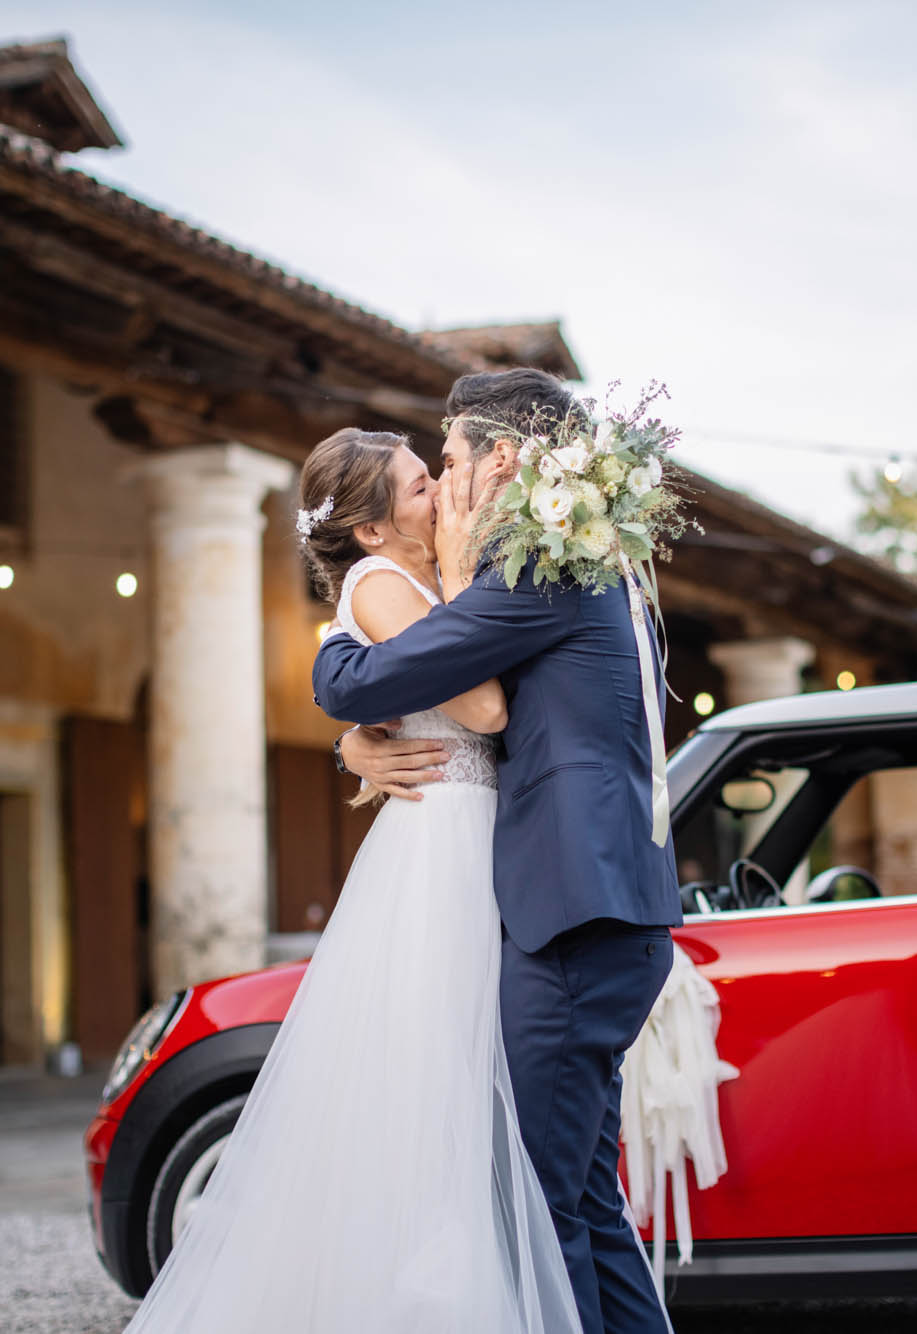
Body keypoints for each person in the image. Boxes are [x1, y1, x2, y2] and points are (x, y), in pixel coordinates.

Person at [120, 426, 581, 1333]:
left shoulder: (421, 580)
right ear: (371, 532)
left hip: (471, 834)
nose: (438, 491)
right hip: (441, 849)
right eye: (419, 488)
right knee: (439, 1080)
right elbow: (483, 706)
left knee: (469, 1080)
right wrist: (451, 586)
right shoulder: (381, 586)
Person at [317, 369, 681, 1334]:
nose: (443, 481)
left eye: (450, 459)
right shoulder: (579, 564)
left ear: (503, 460)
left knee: (537, 1199)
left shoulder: (540, 574)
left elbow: (378, 680)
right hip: (601, 913)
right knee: (583, 1201)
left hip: (574, 917)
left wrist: (334, 667)